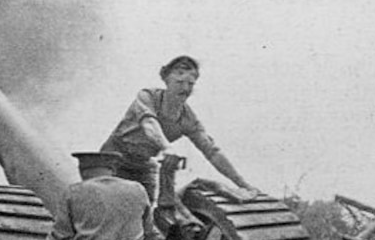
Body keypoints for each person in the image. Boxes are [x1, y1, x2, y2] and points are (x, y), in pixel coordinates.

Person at [101, 55, 259, 208]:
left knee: (145, 215)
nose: (185, 89)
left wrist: (243, 184)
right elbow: (149, 123)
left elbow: (212, 152)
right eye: (179, 82)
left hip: (143, 164)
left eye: (190, 84)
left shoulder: (188, 119)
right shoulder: (148, 96)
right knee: (111, 211)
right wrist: (167, 147)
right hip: (112, 159)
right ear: (167, 81)